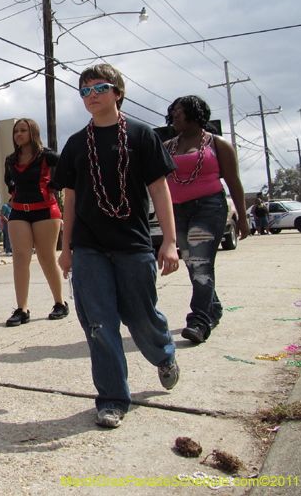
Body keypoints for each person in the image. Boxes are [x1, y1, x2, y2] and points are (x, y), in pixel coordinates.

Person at [52, 64, 180, 429]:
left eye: (99, 88)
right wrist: (67, 247)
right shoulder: (77, 143)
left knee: (141, 317)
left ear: (118, 92)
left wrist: (169, 242)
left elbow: (159, 190)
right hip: (90, 247)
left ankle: (163, 354)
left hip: (133, 244)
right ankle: (111, 398)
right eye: (85, 90)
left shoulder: (142, 136)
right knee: (99, 325)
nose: (91, 95)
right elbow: (70, 198)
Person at [164, 96, 250, 344]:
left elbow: (234, 182)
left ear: (196, 114)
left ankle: (199, 321)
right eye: (174, 112)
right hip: (177, 211)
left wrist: (243, 218)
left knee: (201, 263)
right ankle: (213, 308)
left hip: (209, 207)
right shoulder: (167, 145)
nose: (176, 116)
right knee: (192, 263)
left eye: (181, 111)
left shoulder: (218, 144)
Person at [4, 118, 68, 326]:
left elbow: (67, 166)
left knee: (46, 257)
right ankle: (22, 309)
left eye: (23, 130)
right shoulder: (11, 159)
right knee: (20, 258)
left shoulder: (47, 156)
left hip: (46, 211)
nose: (18, 134)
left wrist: (56, 184)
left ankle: (60, 303)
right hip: (19, 211)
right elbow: (8, 179)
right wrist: (12, 188)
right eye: (16, 131)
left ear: (33, 133)